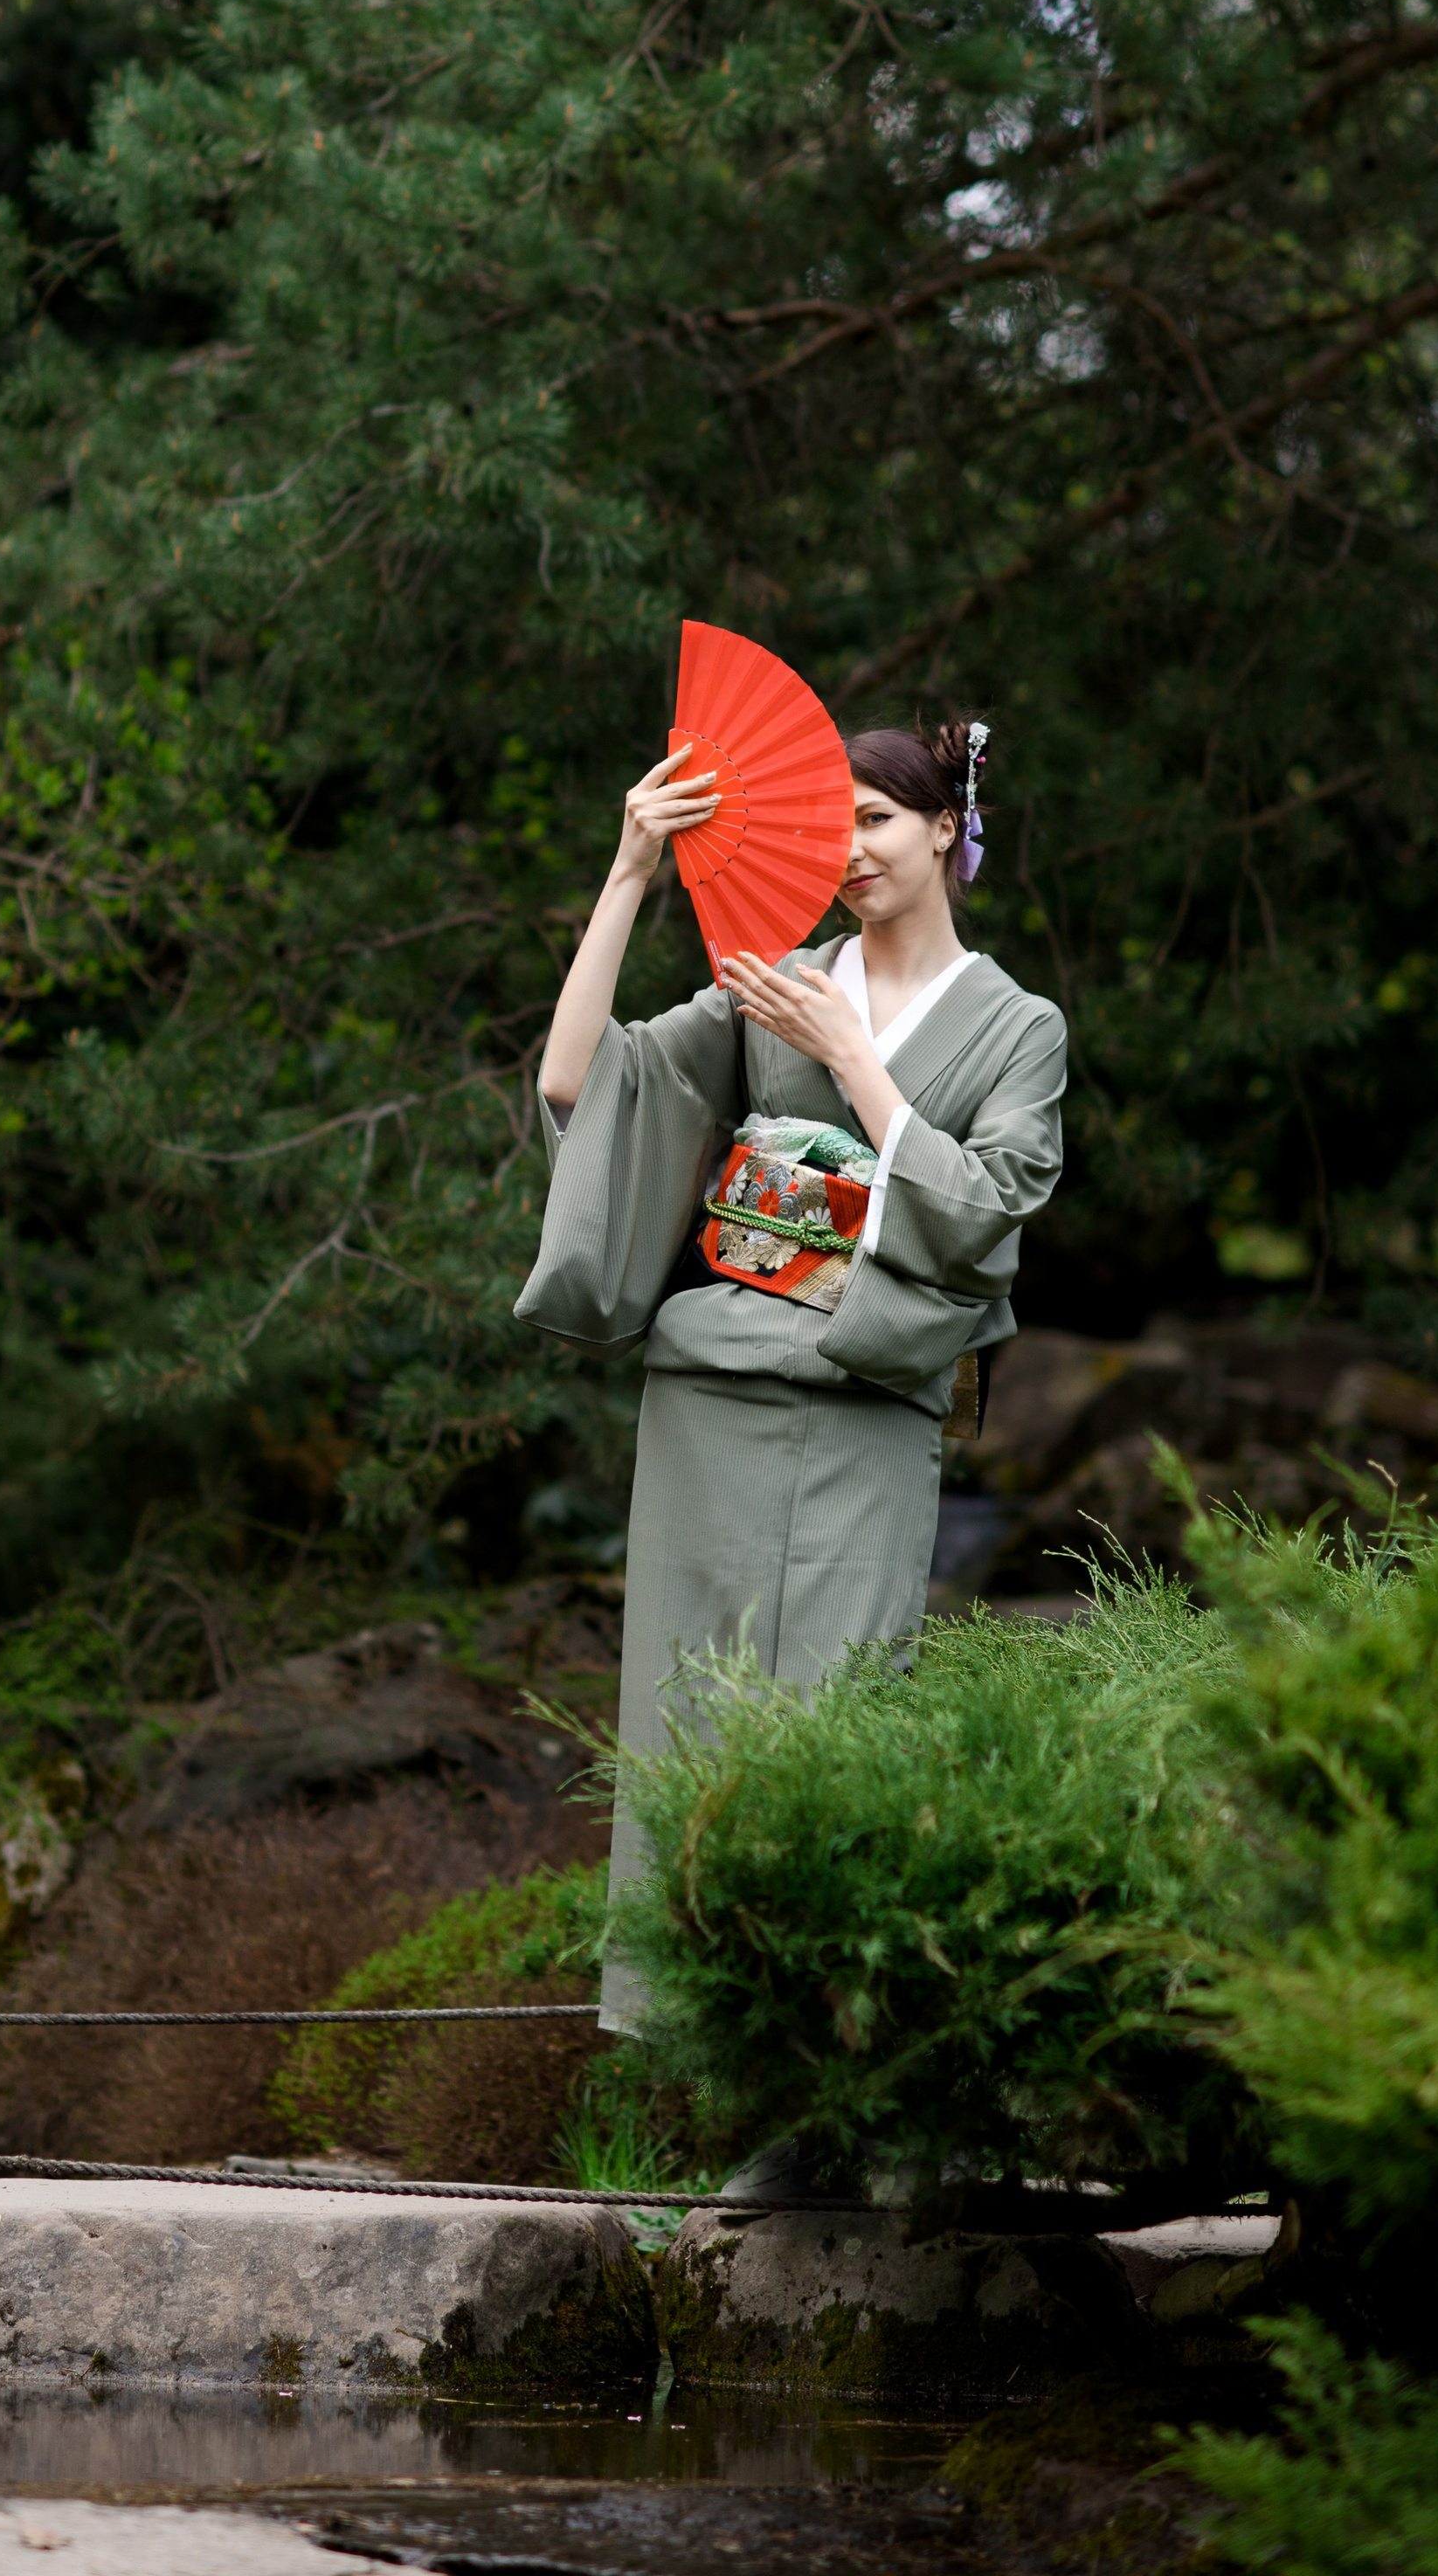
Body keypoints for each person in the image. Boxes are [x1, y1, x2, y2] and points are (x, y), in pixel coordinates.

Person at [515, 715, 1068, 2050]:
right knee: (688, 1709)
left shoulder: (1018, 1026)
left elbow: (990, 1207)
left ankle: (825, 2080)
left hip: (865, 1395)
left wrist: (861, 1065)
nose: (849, 849)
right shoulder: (774, 982)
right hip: (711, 1391)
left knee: (840, 1722)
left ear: (949, 826)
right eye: (829, 824)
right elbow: (583, 1084)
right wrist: (632, 871)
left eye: (876, 819)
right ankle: (705, 2059)